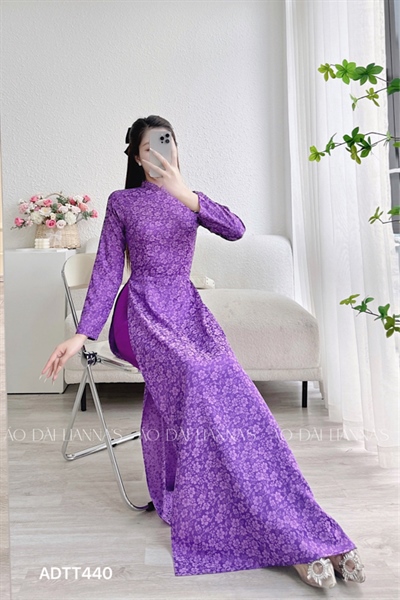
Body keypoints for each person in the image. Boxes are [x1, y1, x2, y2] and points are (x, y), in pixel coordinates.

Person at [42, 115, 366, 587]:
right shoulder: (122, 202)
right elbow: (109, 271)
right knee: (199, 378)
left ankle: (300, 526)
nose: (160, 152)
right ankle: (285, 541)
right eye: (150, 146)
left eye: (167, 142)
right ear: (137, 157)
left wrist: (185, 193)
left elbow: (236, 229)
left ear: (177, 148)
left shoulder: (191, 199)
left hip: (188, 311)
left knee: (232, 388)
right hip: (142, 314)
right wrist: (82, 333)